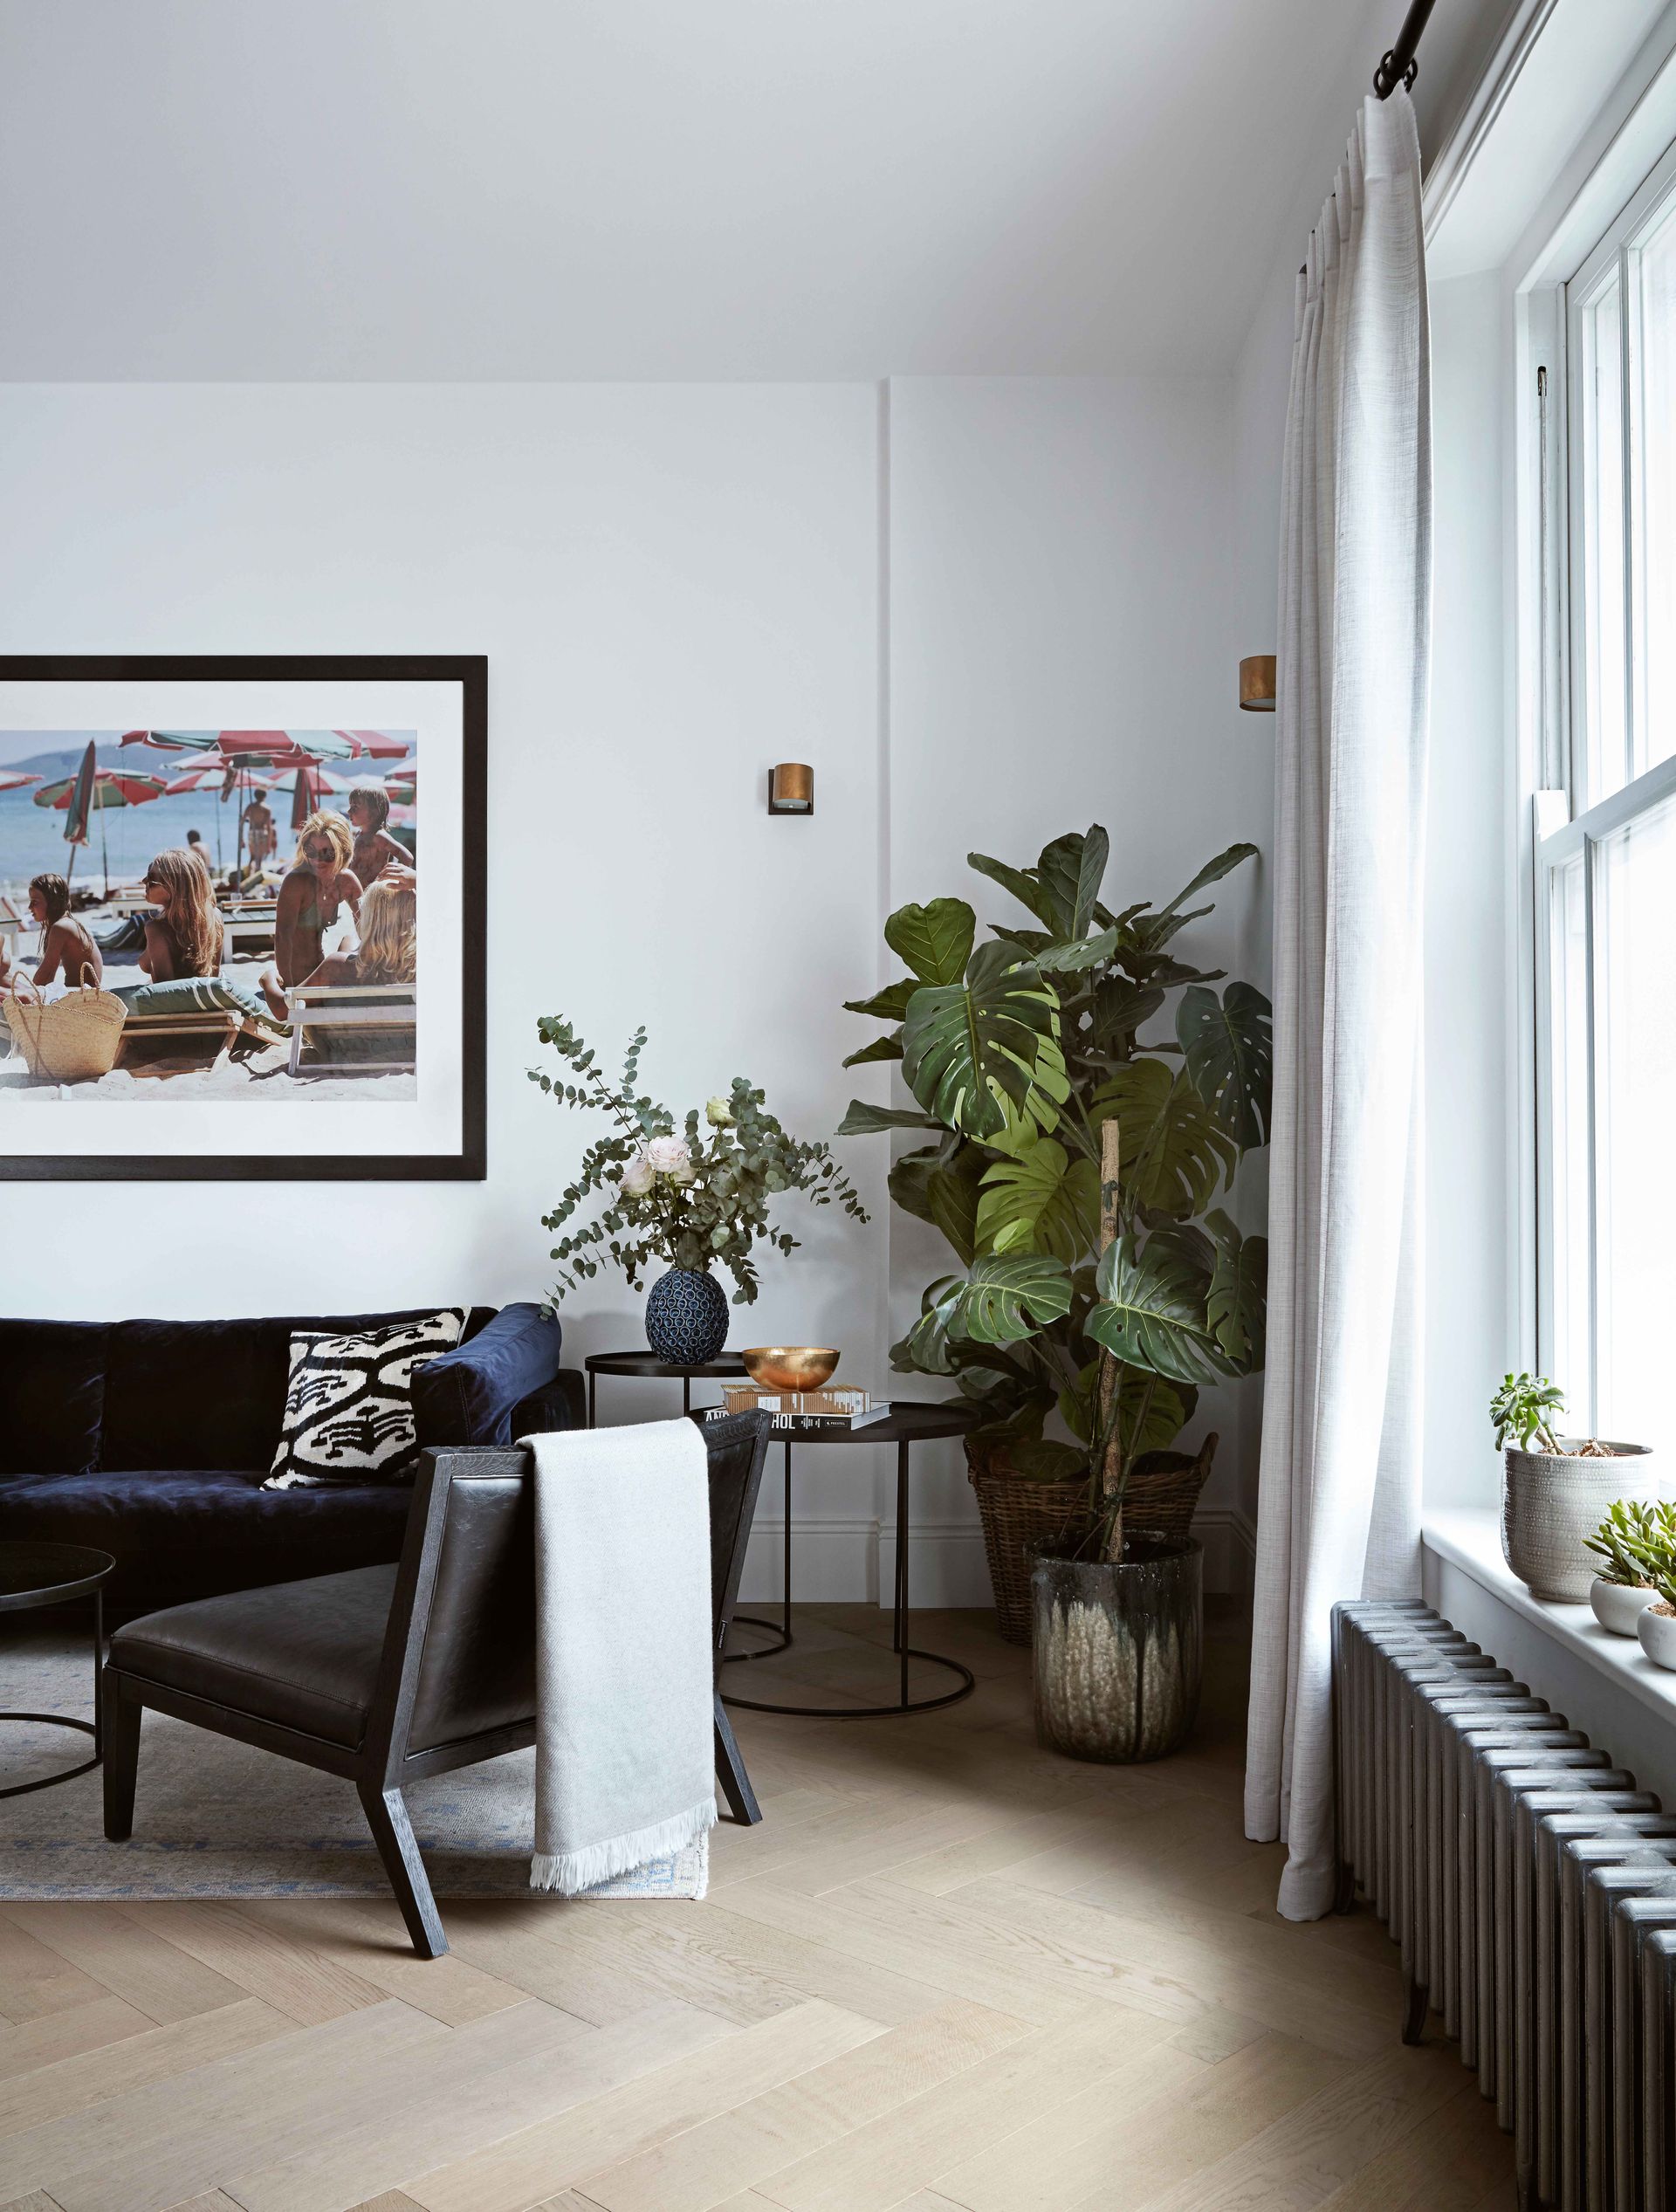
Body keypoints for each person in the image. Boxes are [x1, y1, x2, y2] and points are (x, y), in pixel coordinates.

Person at [258, 873, 415, 1020]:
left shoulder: (335, 967)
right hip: (404, 1044)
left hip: (342, 1046)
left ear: (370, 919)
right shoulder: (419, 968)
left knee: (349, 947)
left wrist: (269, 979)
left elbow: (282, 1010)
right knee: (350, 941)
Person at [271, 810, 362, 993]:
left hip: (321, 971)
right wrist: (289, 990)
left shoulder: (346, 881)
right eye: (311, 851)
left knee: (351, 940)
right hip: (297, 978)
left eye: (328, 853)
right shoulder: (297, 882)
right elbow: (282, 938)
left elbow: (371, 927)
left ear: (343, 851)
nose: (318, 860)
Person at [0, 873, 102, 990]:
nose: (29, 907)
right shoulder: (68, 923)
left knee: (3, 978)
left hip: (80, 997)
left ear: (53, 902)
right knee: (3, 976)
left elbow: (44, 978)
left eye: (34, 902)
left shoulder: (61, 928)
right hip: (83, 993)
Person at [139, 848, 224, 981]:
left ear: (173, 888)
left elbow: (164, 991)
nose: (144, 880)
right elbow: (213, 979)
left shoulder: (156, 929)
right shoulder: (215, 917)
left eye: (151, 877)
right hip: (206, 997)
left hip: (176, 1000)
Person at [347, 783, 411, 889]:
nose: (349, 811)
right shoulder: (358, 834)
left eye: (355, 807)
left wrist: (396, 882)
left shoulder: (379, 837)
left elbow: (407, 857)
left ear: (374, 812)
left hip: (374, 895)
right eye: (350, 807)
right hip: (359, 893)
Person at [241, 787, 276, 872]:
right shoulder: (267, 808)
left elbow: (241, 822)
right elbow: (269, 827)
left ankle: (248, 875)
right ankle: (256, 878)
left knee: (252, 857)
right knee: (259, 858)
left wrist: (241, 839)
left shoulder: (250, 806)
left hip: (252, 831)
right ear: (265, 796)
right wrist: (269, 844)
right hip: (261, 832)